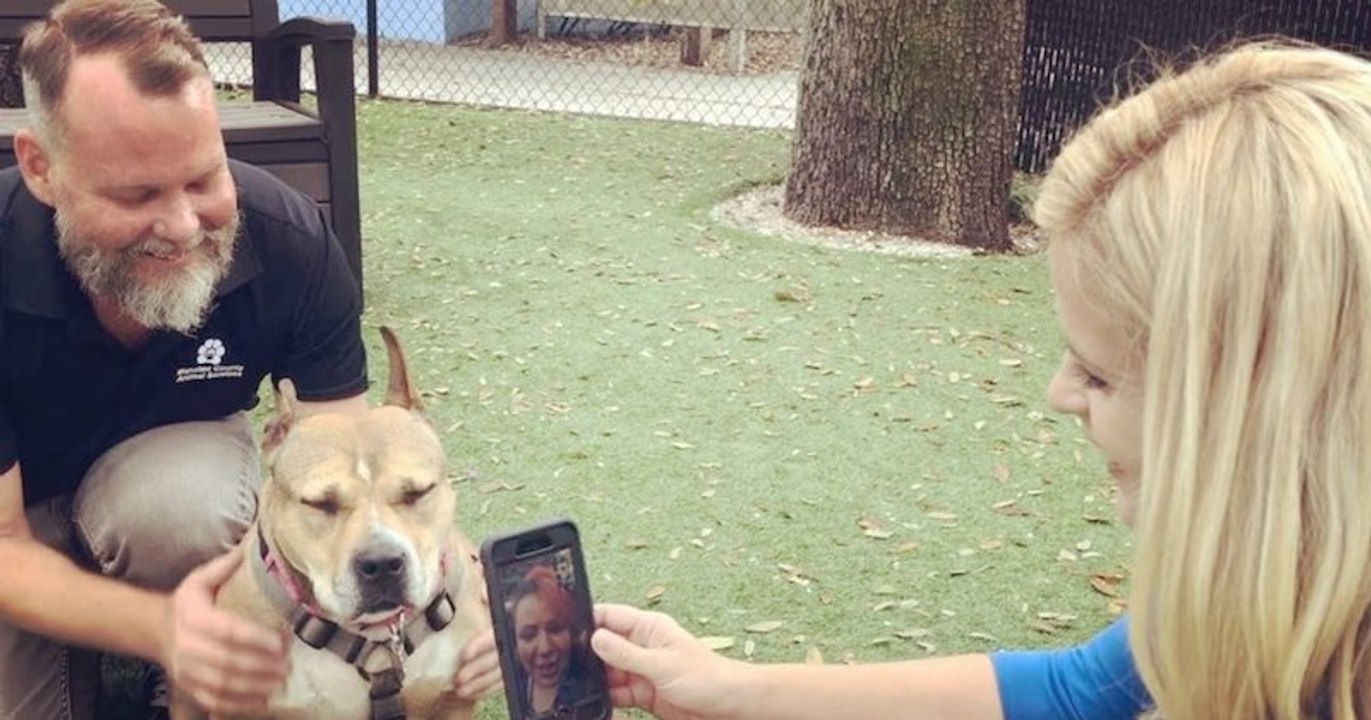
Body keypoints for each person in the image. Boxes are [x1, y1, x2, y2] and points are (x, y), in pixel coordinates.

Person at [456, 41, 1371, 719]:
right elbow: (1082, 689)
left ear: (1252, 409)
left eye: (1097, 373)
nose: (1058, 394)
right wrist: (738, 691)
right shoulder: (1259, 586)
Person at [0, 1, 374, 718]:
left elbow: (346, 478)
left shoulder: (288, 240)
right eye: (135, 193)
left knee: (182, 510)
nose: (181, 227)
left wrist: (443, 595)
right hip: (18, 513)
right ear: (41, 169)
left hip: (165, 481)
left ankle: (179, 679)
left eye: (203, 179)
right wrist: (160, 628)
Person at [508, 564, 598, 719]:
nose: (545, 648)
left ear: (572, 632)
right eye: (529, 635)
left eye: (555, 629)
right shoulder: (516, 681)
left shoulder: (590, 690)